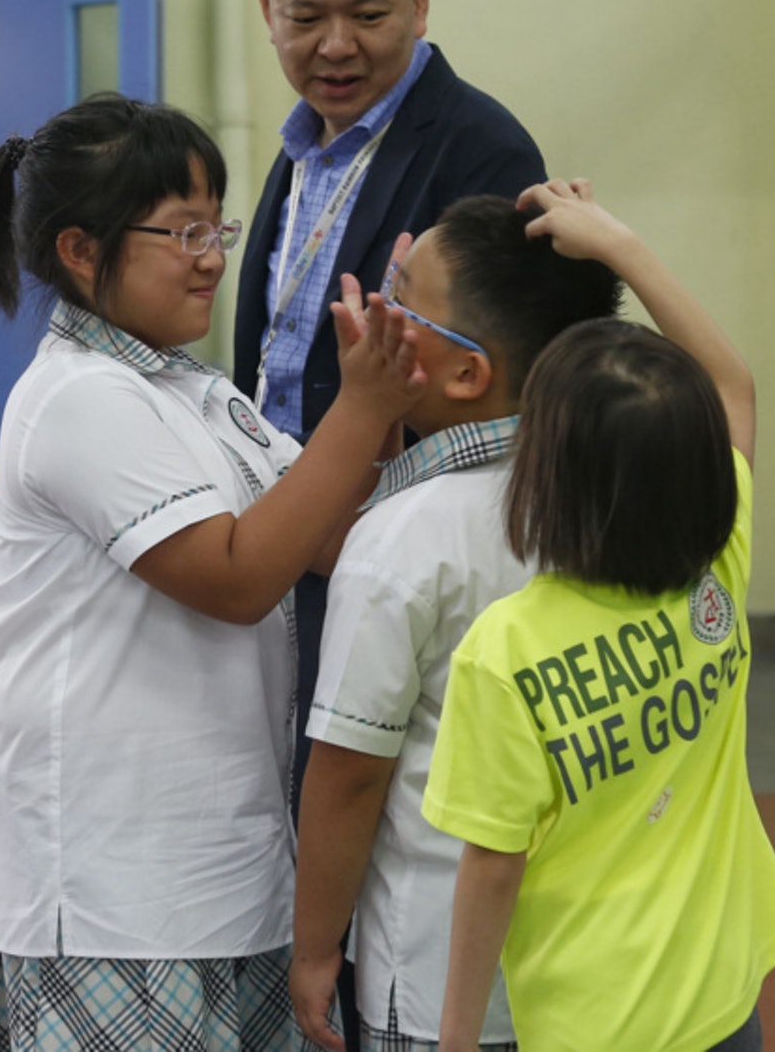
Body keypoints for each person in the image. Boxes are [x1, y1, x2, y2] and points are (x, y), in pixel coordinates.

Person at [0, 95, 424, 1050]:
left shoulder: (198, 391)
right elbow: (236, 577)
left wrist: (379, 418)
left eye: (217, 224)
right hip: (111, 889)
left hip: (221, 871)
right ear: (81, 251)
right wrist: (357, 409)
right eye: (182, 231)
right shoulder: (78, 398)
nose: (214, 254)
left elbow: (333, 536)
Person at [234, 0, 552, 1043]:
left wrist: (338, 533)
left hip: (392, 556)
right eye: (305, 15)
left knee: (392, 811)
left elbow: (487, 393)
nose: (336, 44)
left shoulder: (478, 152)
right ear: (261, 3)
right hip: (297, 557)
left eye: (368, 14)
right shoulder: (300, 151)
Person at [423, 180, 775, 1052]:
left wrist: (453, 1039)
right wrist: (620, 247)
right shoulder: (721, 557)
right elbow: (734, 385)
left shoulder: (507, 650)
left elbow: (492, 867)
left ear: (546, 474)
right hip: (722, 1000)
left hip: (592, 1022)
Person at [290, 195, 622, 1052]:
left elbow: (352, 772)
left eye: (399, 302)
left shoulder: (405, 535)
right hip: (596, 975)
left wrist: (315, 943)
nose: (372, 315)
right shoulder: (615, 496)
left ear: (468, 373)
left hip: (439, 982)